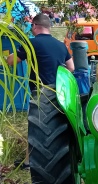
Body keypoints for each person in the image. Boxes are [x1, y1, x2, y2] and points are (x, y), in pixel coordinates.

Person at [7, 14, 74, 170]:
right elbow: (71, 68)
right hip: (59, 92)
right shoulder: (60, 45)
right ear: (49, 26)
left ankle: (29, 162)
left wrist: (6, 56)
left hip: (40, 93)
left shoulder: (31, 44)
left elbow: (12, 61)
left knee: (34, 128)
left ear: (35, 26)